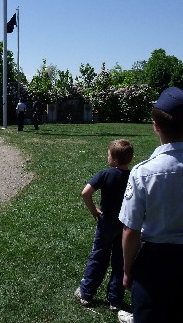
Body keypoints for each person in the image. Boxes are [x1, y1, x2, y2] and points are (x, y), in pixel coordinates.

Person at [118, 86, 183, 323]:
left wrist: (127, 270)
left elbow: (131, 230)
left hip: (155, 264)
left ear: (155, 126)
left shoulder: (144, 172)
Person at [75, 139, 134, 312]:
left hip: (106, 223)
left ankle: (86, 293)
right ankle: (115, 300)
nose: (107, 157)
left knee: (98, 257)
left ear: (114, 160)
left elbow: (85, 193)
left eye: (108, 154)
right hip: (124, 224)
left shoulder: (105, 174)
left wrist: (94, 211)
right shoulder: (133, 176)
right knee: (119, 261)